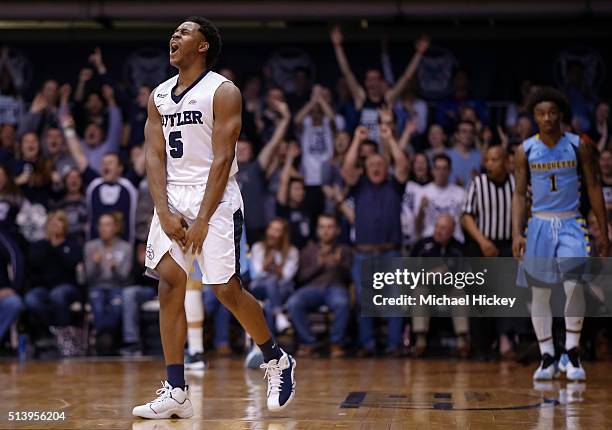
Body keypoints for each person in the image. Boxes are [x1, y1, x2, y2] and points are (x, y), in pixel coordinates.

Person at [134, 17, 296, 420]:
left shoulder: (223, 91)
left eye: (185, 32)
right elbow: (152, 155)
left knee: (225, 290)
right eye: (173, 31)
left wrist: (203, 218)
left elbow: (224, 158)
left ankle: (276, 358)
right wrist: (163, 210)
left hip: (216, 198)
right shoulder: (158, 96)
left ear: (203, 45)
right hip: (172, 197)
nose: (175, 35)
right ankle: (176, 389)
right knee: (170, 284)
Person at [512, 87, 609, 381]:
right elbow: (518, 194)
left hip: (570, 223)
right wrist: (516, 233)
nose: (547, 118)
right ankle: (546, 356)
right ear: (534, 117)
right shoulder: (524, 149)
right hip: (539, 223)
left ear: (561, 115)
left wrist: (603, 231)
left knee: (574, 286)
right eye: (541, 113)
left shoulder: (579, 145)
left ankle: (572, 352)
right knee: (539, 292)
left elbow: (594, 187)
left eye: (552, 113)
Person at [342, 124, 408, 356]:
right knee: (362, 300)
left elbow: (403, 165)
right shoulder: (359, 185)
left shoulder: (395, 184)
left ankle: (393, 345)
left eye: (380, 164)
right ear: (366, 169)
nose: (376, 168)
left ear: (386, 167)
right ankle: (367, 344)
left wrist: (389, 139)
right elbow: (347, 169)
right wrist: (357, 140)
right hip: (363, 253)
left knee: (395, 300)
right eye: (372, 165)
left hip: (390, 252)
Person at [330, 26, 429, 141]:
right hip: (364, 149)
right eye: (369, 79)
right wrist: (337, 46)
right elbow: (347, 72)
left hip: (384, 149)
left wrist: (419, 53)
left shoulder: (388, 98)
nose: (372, 82)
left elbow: (406, 78)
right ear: (365, 82)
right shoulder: (361, 97)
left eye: (375, 79)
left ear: (381, 82)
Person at [287, 214, 352, 358]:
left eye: (330, 227)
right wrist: (319, 265)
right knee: (294, 302)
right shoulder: (309, 250)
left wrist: (338, 264)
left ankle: (336, 343)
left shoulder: (344, 250)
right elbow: (300, 277)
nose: (326, 231)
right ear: (317, 230)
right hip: (312, 288)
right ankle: (308, 343)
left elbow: (350, 278)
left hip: (336, 287)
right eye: (322, 227)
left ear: (337, 230)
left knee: (342, 303)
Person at [410, 214, 469, 358]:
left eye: (443, 228)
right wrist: (429, 275)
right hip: (428, 289)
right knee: (419, 291)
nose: (438, 231)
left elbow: (467, 276)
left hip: (450, 289)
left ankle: (462, 340)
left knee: (459, 292)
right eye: (436, 227)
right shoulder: (423, 246)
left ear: (452, 230)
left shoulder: (459, 249)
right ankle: (420, 340)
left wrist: (448, 274)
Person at [84, 213, 133, 350]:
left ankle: (104, 338)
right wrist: (96, 264)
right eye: (101, 225)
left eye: (108, 224)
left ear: (116, 227)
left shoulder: (125, 248)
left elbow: (125, 277)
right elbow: (89, 277)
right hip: (96, 286)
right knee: (98, 307)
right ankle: (106, 339)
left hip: (118, 287)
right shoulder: (90, 247)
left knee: (116, 307)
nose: (104, 228)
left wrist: (115, 268)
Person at [249, 218, 299, 334]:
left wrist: (276, 265)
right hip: (259, 287)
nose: (272, 233)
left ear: (283, 235)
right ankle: (279, 315)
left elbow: (287, 277)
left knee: (268, 304)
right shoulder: (258, 247)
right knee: (270, 281)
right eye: (271, 228)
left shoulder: (292, 252)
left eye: (277, 230)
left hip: (282, 288)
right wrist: (266, 264)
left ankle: (268, 346)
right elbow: (256, 275)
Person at [415, 154, 466, 243]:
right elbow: (417, 229)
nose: (441, 172)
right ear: (432, 171)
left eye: (444, 168)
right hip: (429, 240)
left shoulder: (461, 193)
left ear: (450, 171)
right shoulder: (422, 192)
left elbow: (466, 224)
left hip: (455, 241)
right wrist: (421, 209)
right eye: (438, 168)